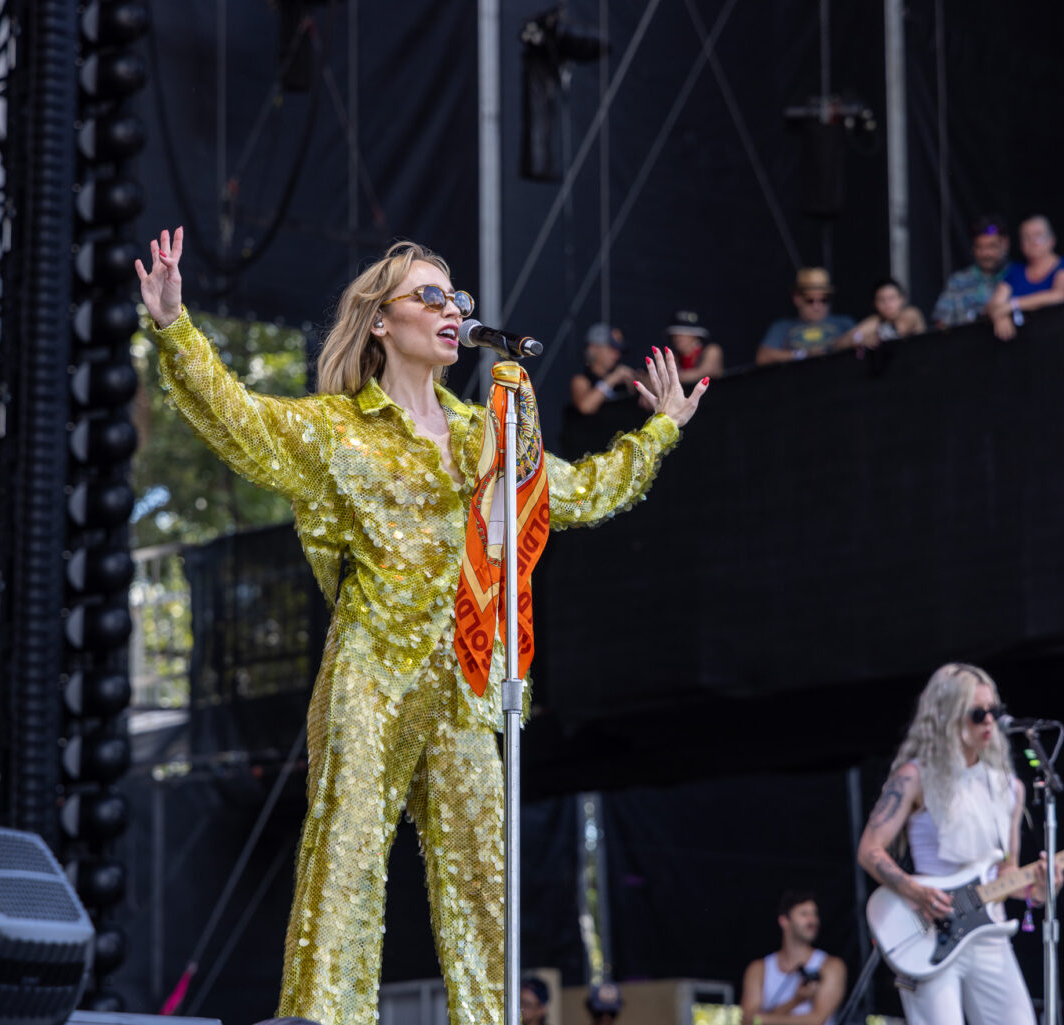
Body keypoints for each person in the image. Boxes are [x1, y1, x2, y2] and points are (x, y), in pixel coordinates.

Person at [135, 228, 709, 1025]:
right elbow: (242, 420)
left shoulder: (485, 435)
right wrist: (175, 328)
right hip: (371, 672)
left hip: (468, 684)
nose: (451, 309)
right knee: (345, 859)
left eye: (457, 298)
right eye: (430, 296)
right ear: (380, 320)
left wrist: (661, 430)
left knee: (485, 881)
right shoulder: (338, 431)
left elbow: (574, 493)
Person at [856, 663, 1063, 1025]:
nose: (989, 721)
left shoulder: (1008, 787)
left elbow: (1006, 873)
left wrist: (1040, 888)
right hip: (929, 929)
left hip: (990, 932)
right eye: (977, 713)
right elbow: (870, 850)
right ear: (947, 714)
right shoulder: (914, 777)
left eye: (994, 711)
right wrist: (916, 891)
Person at [739, 890, 847, 1025]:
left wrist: (762, 1020)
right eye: (804, 914)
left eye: (814, 914)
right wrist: (796, 1001)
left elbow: (817, 1021)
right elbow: (747, 1021)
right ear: (784, 921)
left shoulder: (831, 966)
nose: (812, 920)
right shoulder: (758, 969)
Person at [987, 216, 1064, 340]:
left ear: (1052, 239)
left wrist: (1012, 305)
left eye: (1038, 236)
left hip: (1063, 336)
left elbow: (1060, 295)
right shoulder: (1015, 272)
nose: (1033, 242)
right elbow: (994, 305)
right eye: (1026, 237)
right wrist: (1000, 316)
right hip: (1025, 341)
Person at [756, 267, 855, 364]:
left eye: (824, 300)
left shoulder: (843, 322)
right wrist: (803, 354)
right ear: (797, 299)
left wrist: (841, 344)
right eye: (810, 300)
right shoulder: (782, 326)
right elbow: (763, 357)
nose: (817, 307)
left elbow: (860, 339)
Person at [931, 215, 1011, 329]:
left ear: (1005, 244)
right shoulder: (958, 281)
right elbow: (941, 322)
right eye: (979, 247)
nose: (985, 254)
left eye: (992, 246)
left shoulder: (1018, 274)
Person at [570, 322, 642, 416]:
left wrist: (637, 384)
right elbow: (585, 407)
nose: (617, 355)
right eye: (612, 348)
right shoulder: (582, 380)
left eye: (619, 350)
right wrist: (613, 378)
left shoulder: (622, 379)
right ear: (594, 348)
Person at [842, 278, 925, 352]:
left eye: (892, 298)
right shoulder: (876, 320)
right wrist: (860, 339)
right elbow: (849, 339)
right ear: (875, 304)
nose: (887, 304)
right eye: (882, 300)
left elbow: (901, 328)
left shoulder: (911, 313)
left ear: (901, 299)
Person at [667, 309, 723, 384]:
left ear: (696, 334)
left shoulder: (712, 350)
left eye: (685, 332)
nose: (679, 337)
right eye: (675, 333)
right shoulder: (674, 357)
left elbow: (704, 374)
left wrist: (669, 377)